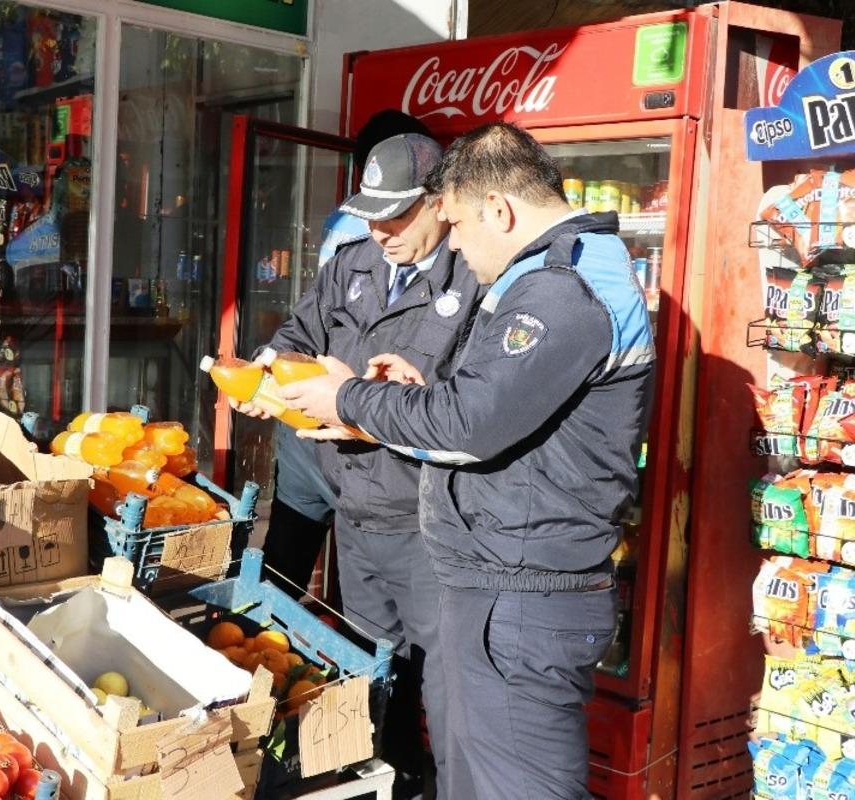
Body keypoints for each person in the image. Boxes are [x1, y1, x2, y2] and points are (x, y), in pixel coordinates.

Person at [280, 122, 654, 799]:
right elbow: (494, 411)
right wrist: (418, 395)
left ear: (500, 211)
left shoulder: (560, 289)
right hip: (504, 583)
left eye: (454, 224)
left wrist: (350, 398)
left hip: (521, 592)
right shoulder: (556, 275)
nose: (453, 243)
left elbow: (469, 426)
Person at [238, 132, 484, 800]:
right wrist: (270, 371)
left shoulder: (476, 277)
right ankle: (381, 779)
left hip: (432, 518)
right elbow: (297, 336)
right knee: (370, 663)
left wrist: (381, 398)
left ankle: (423, 782)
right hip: (357, 506)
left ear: (440, 203)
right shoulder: (351, 265)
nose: (381, 230)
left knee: (434, 675)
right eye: (372, 213)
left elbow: (475, 406)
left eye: (397, 214)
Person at [262, 109, 432, 598]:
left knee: (284, 578)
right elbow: (309, 327)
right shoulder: (370, 240)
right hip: (337, 436)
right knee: (349, 597)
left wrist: (274, 365)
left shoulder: (344, 221)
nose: (383, 230)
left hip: (334, 441)